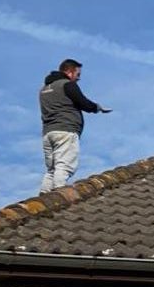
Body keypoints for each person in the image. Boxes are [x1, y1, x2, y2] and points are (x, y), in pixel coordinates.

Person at [39, 58, 110, 192]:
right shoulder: (67, 85)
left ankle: (44, 196)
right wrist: (97, 107)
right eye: (78, 74)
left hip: (48, 133)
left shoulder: (43, 90)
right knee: (64, 166)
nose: (78, 78)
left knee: (51, 170)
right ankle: (59, 194)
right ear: (70, 72)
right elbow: (82, 102)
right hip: (66, 131)